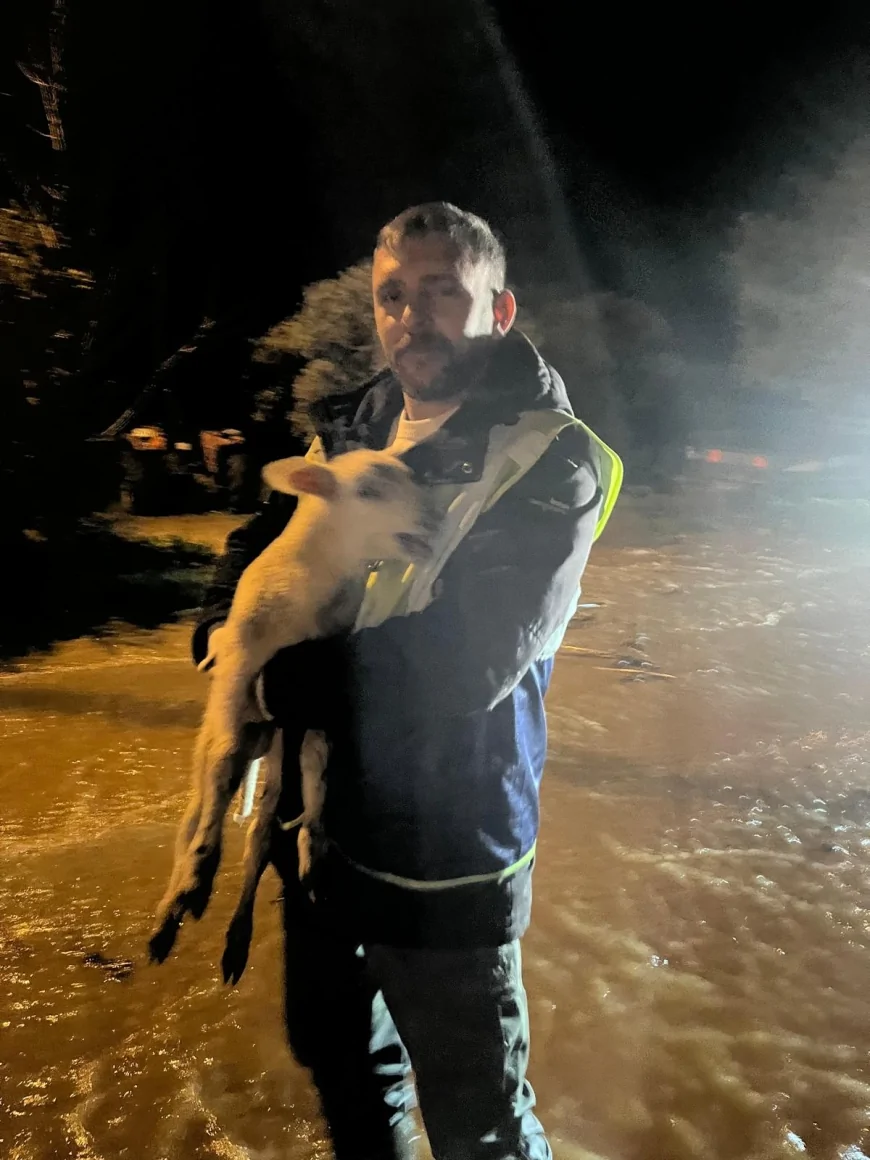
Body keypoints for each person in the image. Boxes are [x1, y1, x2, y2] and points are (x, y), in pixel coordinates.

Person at [194, 203, 622, 1160]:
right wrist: (225, 626)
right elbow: (266, 538)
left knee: (481, 1125)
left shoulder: (549, 456)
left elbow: (469, 657)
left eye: (441, 293)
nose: (411, 318)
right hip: (320, 840)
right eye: (394, 296)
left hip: (450, 856)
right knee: (350, 1084)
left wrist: (277, 683)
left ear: (499, 310)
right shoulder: (356, 420)